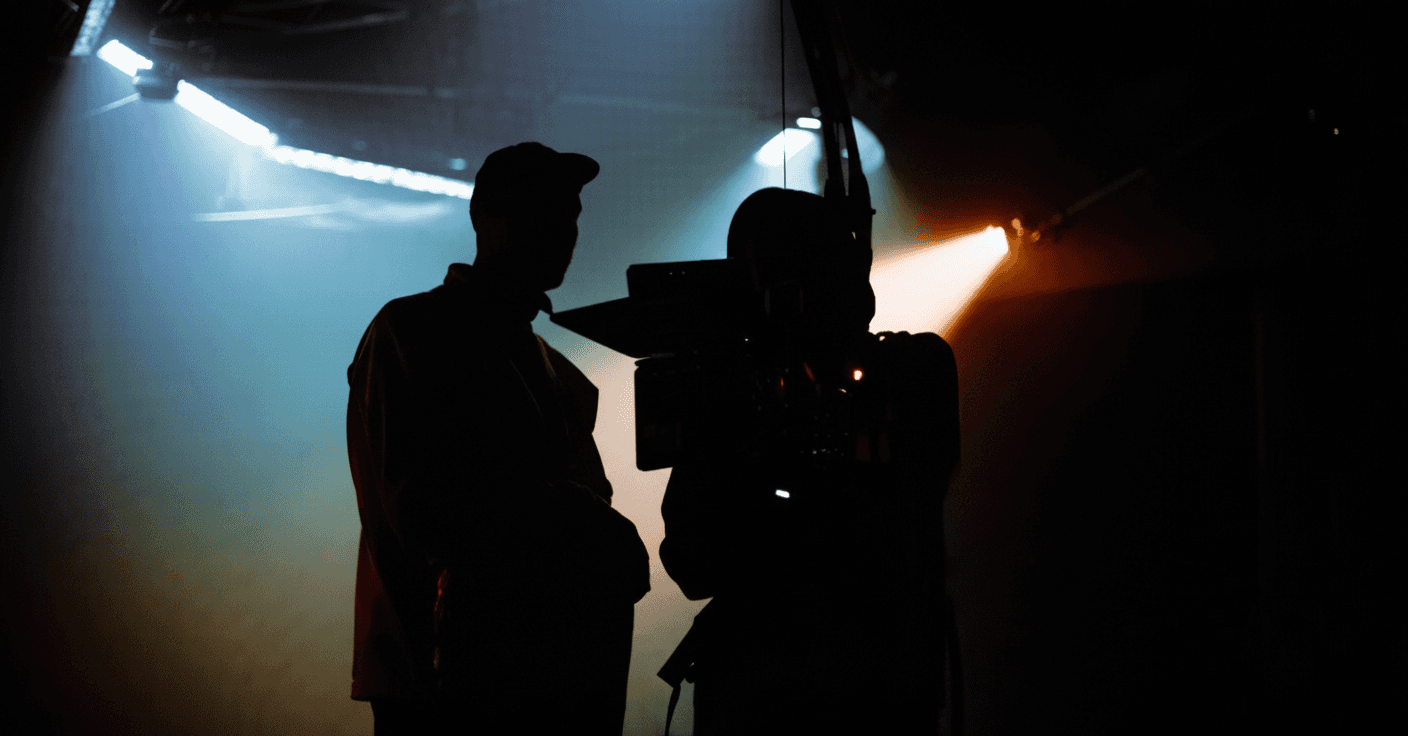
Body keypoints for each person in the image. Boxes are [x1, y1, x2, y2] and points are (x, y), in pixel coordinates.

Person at [346, 142, 651, 735]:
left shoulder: (551, 370)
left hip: (523, 684)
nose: (565, 230)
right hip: (441, 683)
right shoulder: (412, 333)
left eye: (572, 214)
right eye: (543, 210)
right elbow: (427, 512)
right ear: (485, 218)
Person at [658, 187, 961, 734]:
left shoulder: (910, 371)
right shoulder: (735, 395)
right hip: (761, 701)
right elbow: (692, 562)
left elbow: (899, 509)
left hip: (869, 698)